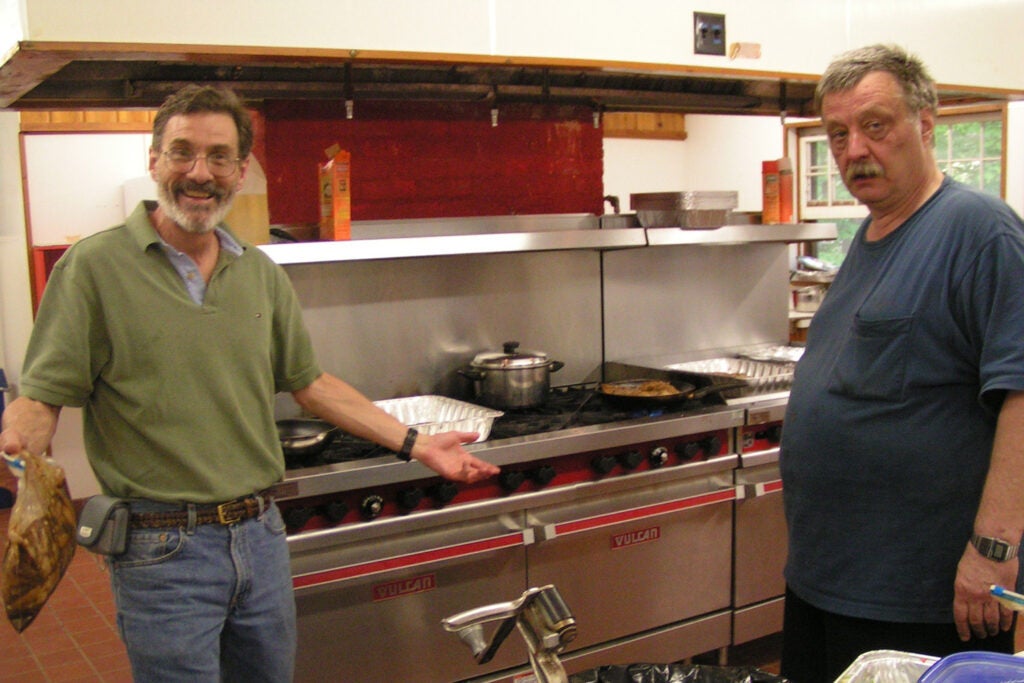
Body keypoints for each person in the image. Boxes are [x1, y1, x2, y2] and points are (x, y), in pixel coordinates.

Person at [0, 84, 499, 682]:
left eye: (218, 157)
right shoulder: (93, 267)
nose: (198, 173)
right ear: (154, 160)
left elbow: (310, 384)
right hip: (162, 550)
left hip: (260, 537)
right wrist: (23, 438)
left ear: (239, 172)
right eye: (182, 152)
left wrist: (418, 445)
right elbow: (44, 393)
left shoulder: (260, 273)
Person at [780, 44, 1024, 681]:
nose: (854, 149)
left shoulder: (980, 231)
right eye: (838, 135)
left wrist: (993, 552)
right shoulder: (870, 236)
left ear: (925, 124)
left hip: (921, 597)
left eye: (875, 126)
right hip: (828, 580)